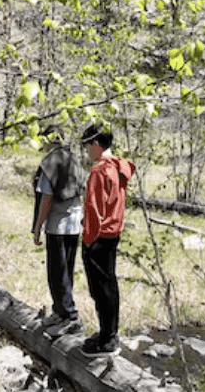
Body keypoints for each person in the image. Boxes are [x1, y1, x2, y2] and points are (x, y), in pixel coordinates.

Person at [79, 123, 135, 356]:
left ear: (95, 144)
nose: (86, 152)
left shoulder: (101, 170)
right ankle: (108, 332)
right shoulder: (119, 165)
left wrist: (88, 239)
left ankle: (108, 340)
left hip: (99, 235)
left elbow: (93, 208)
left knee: (100, 288)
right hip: (114, 232)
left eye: (87, 146)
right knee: (109, 285)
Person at [32, 124, 86, 338]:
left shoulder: (51, 163)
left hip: (58, 225)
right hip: (74, 224)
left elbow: (46, 199)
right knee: (65, 272)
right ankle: (59, 311)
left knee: (57, 273)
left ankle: (71, 318)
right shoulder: (72, 158)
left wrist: (37, 227)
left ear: (49, 139)